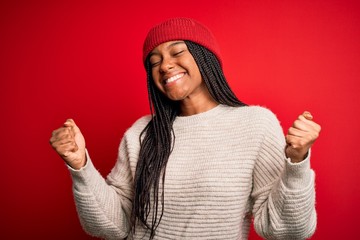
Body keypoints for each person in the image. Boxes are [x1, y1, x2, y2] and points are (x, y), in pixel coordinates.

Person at [50, 17, 321, 240]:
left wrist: (297, 164)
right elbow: (113, 225)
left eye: (177, 52)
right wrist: (81, 167)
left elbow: (288, 230)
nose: (165, 65)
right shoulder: (141, 133)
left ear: (205, 58)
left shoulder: (255, 125)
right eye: (154, 62)